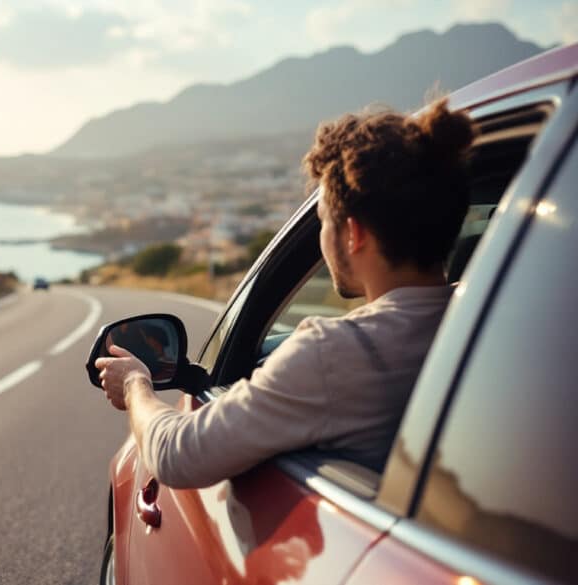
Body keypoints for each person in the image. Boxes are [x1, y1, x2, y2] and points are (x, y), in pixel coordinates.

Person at [94, 98, 474, 489]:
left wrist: (135, 383)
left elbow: (179, 454)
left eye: (324, 222)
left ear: (354, 234)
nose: (322, 239)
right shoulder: (489, 327)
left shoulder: (333, 353)